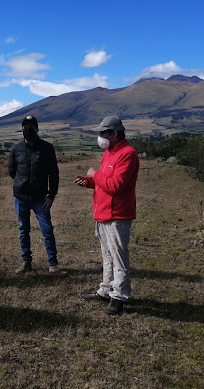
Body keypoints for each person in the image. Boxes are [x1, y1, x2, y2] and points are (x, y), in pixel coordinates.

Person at [74, 116, 139, 314]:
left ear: (115, 134)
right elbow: (105, 181)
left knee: (118, 257)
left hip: (117, 215)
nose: (100, 137)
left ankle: (119, 296)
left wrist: (95, 175)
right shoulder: (109, 153)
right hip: (103, 214)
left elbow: (116, 186)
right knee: (107, 256)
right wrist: (90, 181)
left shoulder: (128, 154)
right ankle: (106, 290)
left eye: (104, 133)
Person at [8, 115, 66, 276]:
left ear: (37, 129)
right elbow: (12, 171)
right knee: (23, 229)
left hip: (41, 198)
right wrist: (22, 183)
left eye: (30, 128)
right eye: (24, 129)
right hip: (21, 198)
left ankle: (53, 264)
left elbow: (54, 174)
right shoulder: (16, 149)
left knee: (47, 230)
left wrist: (51, 195)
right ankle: (26, 262)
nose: (27, 131)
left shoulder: (47, 148)